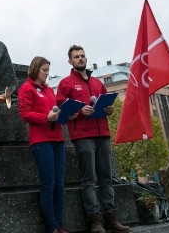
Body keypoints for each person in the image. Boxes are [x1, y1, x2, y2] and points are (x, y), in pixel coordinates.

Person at [56, 45, 130, 233]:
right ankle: (95, 221)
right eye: (76, 56)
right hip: (83, 136)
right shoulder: (65, 84)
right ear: (70, 61)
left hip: (102, 133)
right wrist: (80, 112)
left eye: (82, 56)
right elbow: (61, 112)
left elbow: (106, 103)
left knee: (106, 177)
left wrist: (109, 109)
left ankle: (111, 218)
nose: (80, 59)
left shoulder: (97, 83)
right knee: (88, 179)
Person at [19, 56, 67, 233]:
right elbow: (25, 114)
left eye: (48, 70)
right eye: (44, 70)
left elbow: (52, 110)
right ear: (36, 69)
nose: (47, 74)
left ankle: (60, 226)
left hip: (57, 139)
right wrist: (45, 117)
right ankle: (52, 227)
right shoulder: (26, 88)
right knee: (48, 184)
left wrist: (63, 114)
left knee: (59, 184)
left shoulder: (48, 90)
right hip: (41, 141)